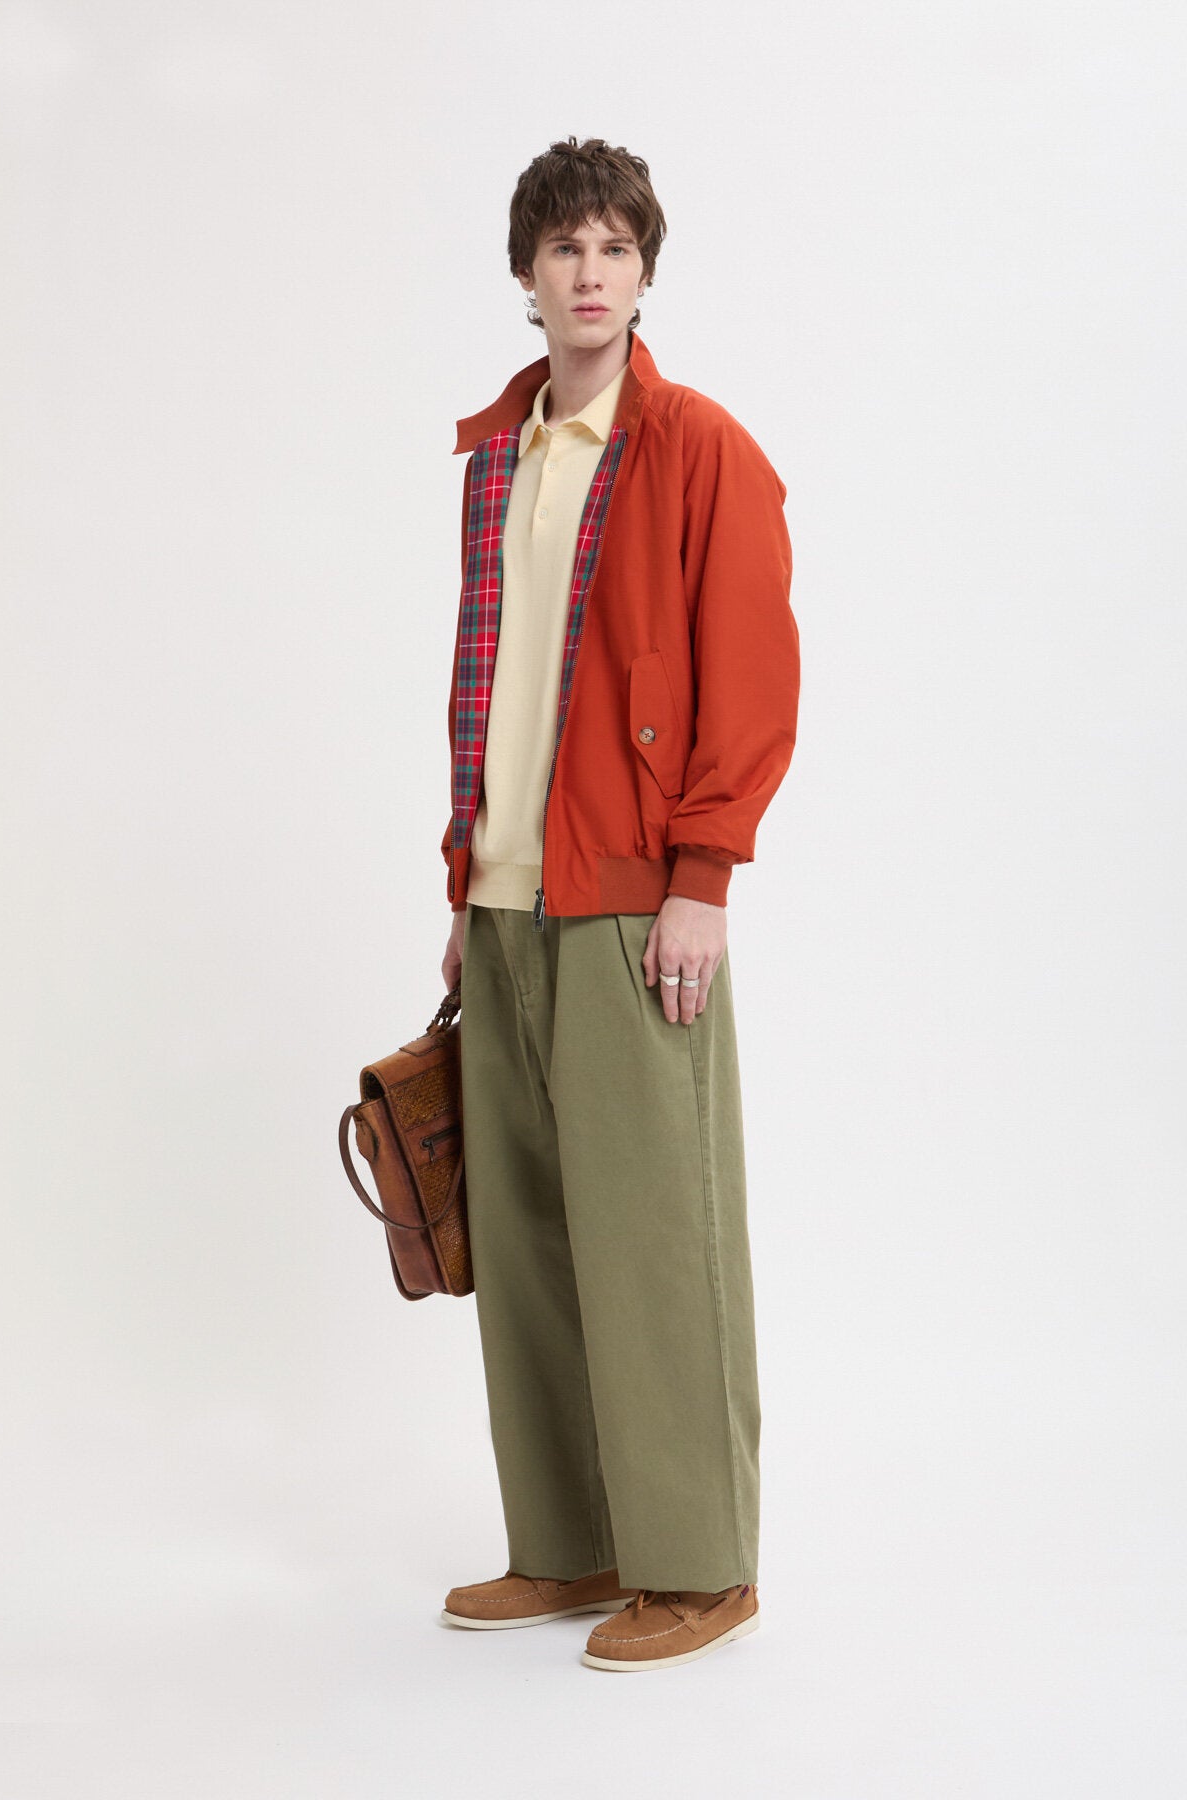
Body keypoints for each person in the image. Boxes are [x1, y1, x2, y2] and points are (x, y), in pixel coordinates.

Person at [436, 136, 800, 1672]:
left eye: (614, 249)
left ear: (645, 273)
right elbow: (491, 689)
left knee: (657, 1233)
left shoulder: (700, 448)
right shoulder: (500, 456)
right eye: (563, 249)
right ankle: (572, 1544)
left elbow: (751, 676)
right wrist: (467, 878)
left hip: (634, 901)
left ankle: (701, 1568)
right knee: (527, 1240)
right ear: (526, 276)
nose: (589, 274)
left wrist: (701, 882)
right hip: (507, 898)